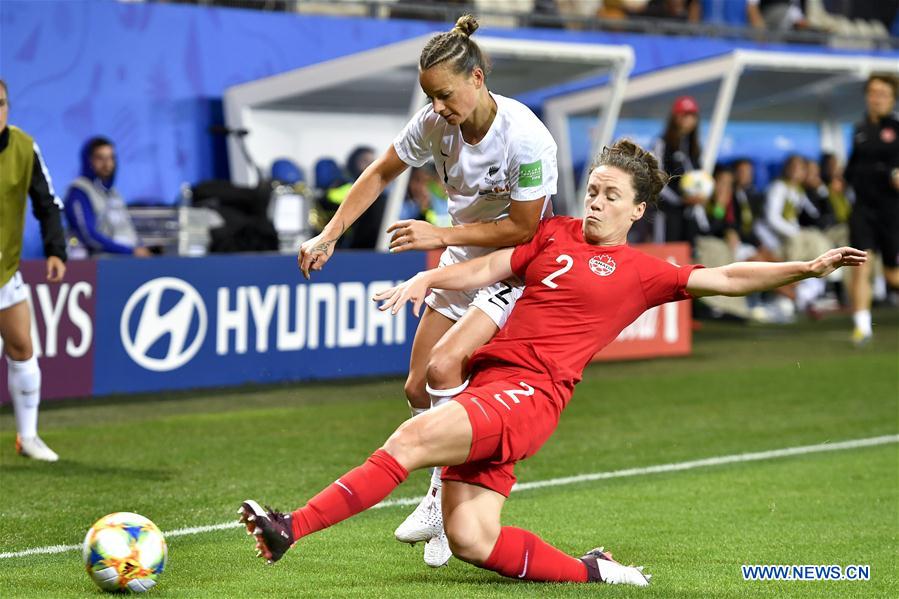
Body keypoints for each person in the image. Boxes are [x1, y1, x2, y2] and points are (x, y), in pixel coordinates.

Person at [237, 140, 865, 586]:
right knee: (473, 541)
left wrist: (805, 268)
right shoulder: (554, 233)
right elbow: (488, 268)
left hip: (530, 398)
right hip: (494, 387)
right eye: (592, 189)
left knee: (415, 433)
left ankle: (291, 526)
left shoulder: (646, 273)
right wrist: (431, 281)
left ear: (637, 211)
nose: (595, 202)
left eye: (610, 196)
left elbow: (727, 275)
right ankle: (592, 570)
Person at [296, 15, 557, 566]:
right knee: (418, 387)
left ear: (478, 78)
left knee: (445, 369)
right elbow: (378, 173)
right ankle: (443, 494)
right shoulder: (434, 124)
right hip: (464, 257)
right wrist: (329, 233)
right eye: (430, 98)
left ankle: (444, 498)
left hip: (513, 268)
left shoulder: (527, 137)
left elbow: (526, 229)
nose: (438, 107)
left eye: (444, 95)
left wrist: (441, 233)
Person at [0, 79, 67, 461]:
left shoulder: (25, 147)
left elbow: (48, 203)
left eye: (1, 103)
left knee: (22, 346)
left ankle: (28, 437)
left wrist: (55, 251)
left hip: (4, 270)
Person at [845, 73, 899, 345]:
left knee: (892, 275)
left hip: (892, 211)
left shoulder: (898, 130)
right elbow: (851, 168)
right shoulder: (859, 130)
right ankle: (862, 327)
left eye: (882, 94)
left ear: (892, 99)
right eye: (872, 93)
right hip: (863, 210)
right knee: (860, 264)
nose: (876, 98)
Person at [63, 136, 151, 257]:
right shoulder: (79, 191)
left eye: (111, 158)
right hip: (102, 265)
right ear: (88, 160)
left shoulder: (114, 193)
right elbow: (88, 235)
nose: (107, 164)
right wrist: (129, 251)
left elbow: (128, 229)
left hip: (129, 260)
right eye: (100, 158)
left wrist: (140, 247)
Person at [652, 95, 708, 245]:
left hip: (690, 213)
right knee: (668, 255)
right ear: (675, 117)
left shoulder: (694, 146)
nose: (687, 120)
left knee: (689, 259)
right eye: (684, 115)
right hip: (668, 212)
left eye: (691, 115)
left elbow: (700, 176)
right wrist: (680, 199)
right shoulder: (662, 143)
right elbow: (658, 179)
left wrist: (702, 195)